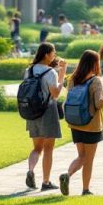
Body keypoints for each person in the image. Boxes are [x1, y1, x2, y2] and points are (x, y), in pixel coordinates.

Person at [59, 50, 103, 196]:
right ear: (95, 63)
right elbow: (98, 103)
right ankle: (85, 189)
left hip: (75, 123)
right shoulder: (96, 80)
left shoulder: (73, 79)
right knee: (88, 159)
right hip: (92, 125)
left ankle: (67, 174)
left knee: (81, 156)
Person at [24, 43, 68, 192]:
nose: (54, 56)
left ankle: (30, 170)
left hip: (31, 111)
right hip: (47, 111)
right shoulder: (50, 72)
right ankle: (46, 181)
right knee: (48, 148)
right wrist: (62, 73)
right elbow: (55, 94)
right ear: (46, 54)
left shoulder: (29, 70)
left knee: (37, 147)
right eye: (53, 53)